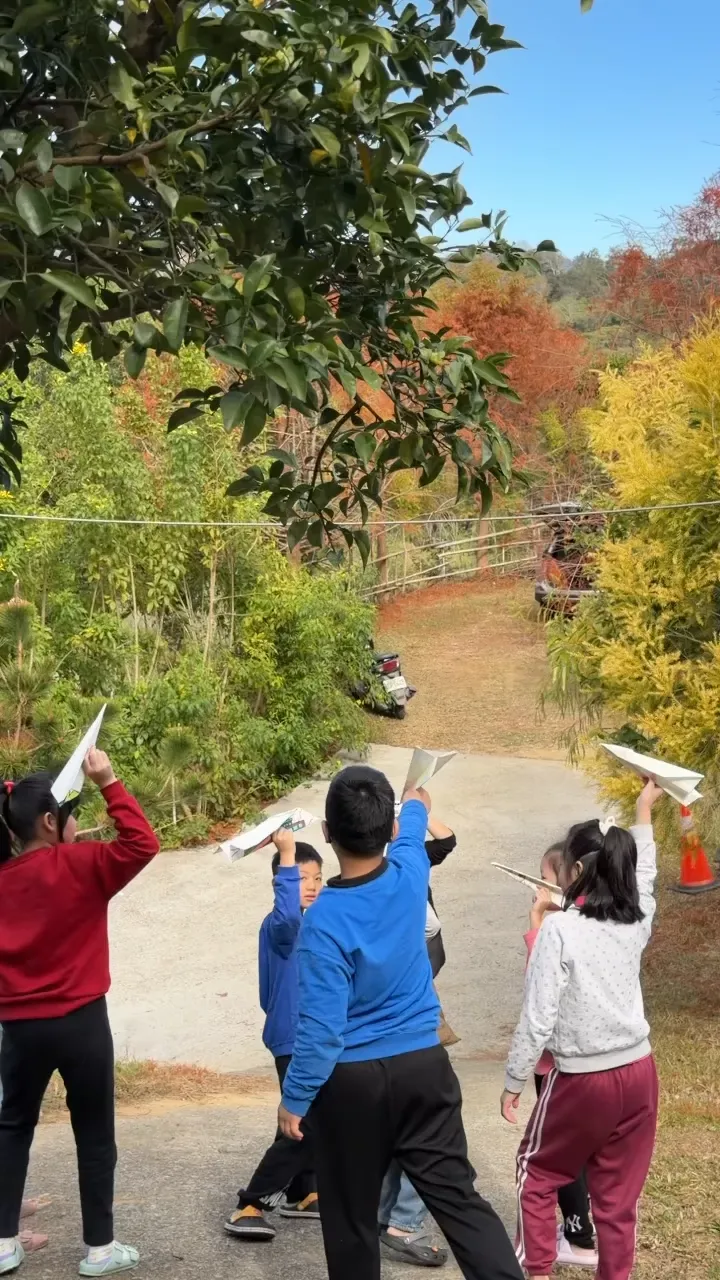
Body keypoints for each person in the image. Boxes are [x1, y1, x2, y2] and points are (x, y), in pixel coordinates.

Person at [278, 764, 524, 1280]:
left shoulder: (322, 921)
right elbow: (412, 826)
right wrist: (414, 800)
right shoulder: (410, 875)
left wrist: (294, 1098)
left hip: (352, 1085)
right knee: (459, 1201)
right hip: (423, 1068)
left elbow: (322, 1030)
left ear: (328, 832)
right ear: (387, 829)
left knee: (351, 1218)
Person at [0, 747, 160, 1277]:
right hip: (82, 1022)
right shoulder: (82, 864)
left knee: (12, 1128)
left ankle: (3, 1245)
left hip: (19, 1028)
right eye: (70, 815)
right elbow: (142, 843)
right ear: (50, 822)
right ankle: (99, 1250)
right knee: (93, 1134)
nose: (76, 825)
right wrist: (108, 781)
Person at [501, 779, 663, 1280]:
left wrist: (514, 1080)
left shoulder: (559, 929)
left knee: (536, 1171)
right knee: (617, 1198)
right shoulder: (637, 917)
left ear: (573, 872)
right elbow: (647, 876)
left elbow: (538, 1016)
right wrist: (643, 809)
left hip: (583, 1079)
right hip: (640, 1073)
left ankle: (538, 1271)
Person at [225, 829, 323, 1242]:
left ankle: (304, 1191)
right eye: (301, 879)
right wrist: (286, 854)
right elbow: (286, 917)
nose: (311, 886)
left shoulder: (313, 923)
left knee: (310, 1117)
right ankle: (251, 1204)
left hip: (311, 1036)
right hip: (293, 1036)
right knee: (305, 1123)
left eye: (317, 877)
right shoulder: (282, 925)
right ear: (281, 883)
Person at [379, 815, 457, 1269]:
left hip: (391, 1022)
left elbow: (446, 841)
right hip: (410, 1022)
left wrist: (418, 809)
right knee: (427, 1130)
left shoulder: (360, 882)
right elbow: (427, 927)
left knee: (395, 1127)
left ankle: (384, 1215)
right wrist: (412, 812)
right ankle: (403, 1222)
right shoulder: (399, 876)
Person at [525, 842, 597, 1271]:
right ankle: (587, 1232)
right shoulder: (603, 917)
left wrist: (537, 921)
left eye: (544, 878)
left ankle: (579, 1238)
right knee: (587, 1153)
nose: (539, 887)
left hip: (556, 1065)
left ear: (570, 877)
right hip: (596, 1063)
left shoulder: (562, 928)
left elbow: (540, 990)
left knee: (557, 1155)